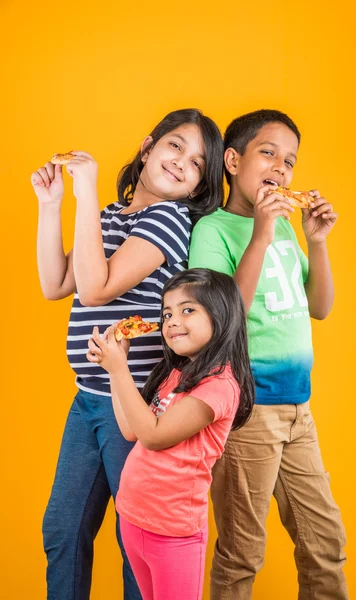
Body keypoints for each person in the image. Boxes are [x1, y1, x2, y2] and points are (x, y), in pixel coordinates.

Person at [31, 108, 224, 600]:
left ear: (197, 187)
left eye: (199, 164)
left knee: (134, 538)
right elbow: (56, 284)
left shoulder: (169, 220)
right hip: (87, 402)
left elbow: (95, 290)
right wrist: (52, 205)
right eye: (175, 146)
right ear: (147, 147)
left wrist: (86, 187)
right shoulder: (111, 218)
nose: (183, 162)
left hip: (132, 405)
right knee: (64, 531)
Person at [189, 109, 348, 599]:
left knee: (325, 543)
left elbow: (319, 307)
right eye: (268, 153)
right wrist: (259, 231)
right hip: (248, 412)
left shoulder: (284, 229)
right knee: (242, 552)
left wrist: (316, 242)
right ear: (233, 160)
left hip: (299, 411)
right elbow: (220, 320)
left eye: (291, 161)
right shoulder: (213, 231)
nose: (281, 167)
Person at [86, 268, 255, 600]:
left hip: (174, 532)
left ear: (221, 316)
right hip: (134, 518)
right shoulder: (177, 374)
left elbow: (154, 436)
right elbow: (131, 430)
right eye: (167, 313)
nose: (172, 321)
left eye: (187, 309)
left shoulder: (220, 386)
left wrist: (118, 369)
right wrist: (116, 367)